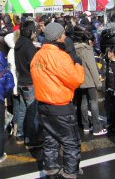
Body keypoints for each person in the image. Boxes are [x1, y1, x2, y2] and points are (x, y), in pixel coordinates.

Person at [31, 22, 85, 179]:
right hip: (60, 105)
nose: (65, 36)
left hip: (43, 104)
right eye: (63, 34)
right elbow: (76, 79)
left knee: (51, 140)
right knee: (71, 143)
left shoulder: (38, 55)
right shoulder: (60, 57)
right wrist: (78, 64)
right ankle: (69, 172)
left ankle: (51, 171)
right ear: (57, 37)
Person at [73, 26, 106, 136]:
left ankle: (85, 125)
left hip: (80, 79)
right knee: (93, 102)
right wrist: (98, 82)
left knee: (83, 103)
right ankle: (96, 128)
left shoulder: (76, 49)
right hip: (89, 80)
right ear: (89, 41)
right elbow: (92, 67)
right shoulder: (87, 50)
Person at [14, 20, 42, 147]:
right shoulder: (29, 46)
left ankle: (20, 134)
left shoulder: (18, 43)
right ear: (31, 32)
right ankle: (31, 139)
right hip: (30, 81)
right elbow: (34, 64)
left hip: (21, 80)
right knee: (32, 110)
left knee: (22, 109)